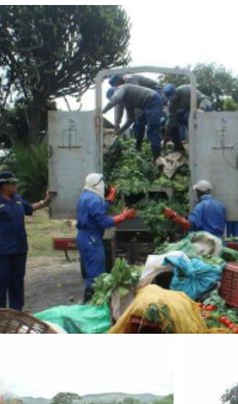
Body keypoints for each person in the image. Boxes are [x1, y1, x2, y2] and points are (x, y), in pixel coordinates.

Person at [0, 171, 54, 310]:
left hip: (19, 248)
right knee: (0, 282)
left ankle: (16, 311)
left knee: (17, 281)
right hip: (0, 250)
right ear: (3, 185)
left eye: (15, 183)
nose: (15, 186)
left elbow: (30, 208)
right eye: (12, 183)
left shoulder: (17, 199)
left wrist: (45, 201)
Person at [75, 173, 136, 302]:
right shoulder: (94, 200)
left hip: (84, 237)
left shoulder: (85, 196)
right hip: (92, 239)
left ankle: (89, 304)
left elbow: (97, 211)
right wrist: (124, 216)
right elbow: (105, 222)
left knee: (90, 271)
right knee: (96, 276)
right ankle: (92, 305)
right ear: (98, 185)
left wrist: (109, 200)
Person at [103, 84, 164, 159]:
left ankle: (157, 157)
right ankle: (137, 149)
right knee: (139, 125)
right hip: (145, 106)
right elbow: (131, 119)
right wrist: (120, 131)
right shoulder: (126, 102)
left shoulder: (121, 88)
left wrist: (103, 111)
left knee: (152, 130)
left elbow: (116, 98)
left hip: (154, 100)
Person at [163, 179, 228, 242]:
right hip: (219, 241)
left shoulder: (200, 206)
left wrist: (173, 215)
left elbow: (190, 225)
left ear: (198, 192)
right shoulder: (221, 206)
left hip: (205, 242)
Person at [163, 84, 214, 152]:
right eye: (171, 99)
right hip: (187, 113)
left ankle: (204, 144)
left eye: (173, 97)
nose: (173, 100)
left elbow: (204, 99)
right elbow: (170, 122)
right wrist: (165, 139)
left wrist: (201, 109)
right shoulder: (172, 105)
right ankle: (179, 148)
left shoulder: (186, 90)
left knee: (192, 117)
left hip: (201, 110)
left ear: (176, 92)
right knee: (172, 124)